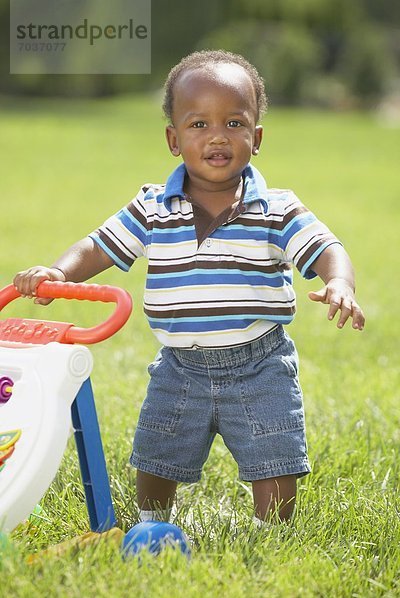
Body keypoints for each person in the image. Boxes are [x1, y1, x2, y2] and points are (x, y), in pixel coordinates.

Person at [13, 50, 365, 527]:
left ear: (256, 138)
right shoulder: (153, 207)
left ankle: (273, 532)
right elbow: (97, 247)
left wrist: (339, 281)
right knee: (159, 451)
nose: (217, 136)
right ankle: (152, 523)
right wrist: (58, 273)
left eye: (235, 123)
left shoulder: (276, 209)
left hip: (259, 363)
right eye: (198, 125)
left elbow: (325, 247)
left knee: (274, 453)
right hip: (180, 365)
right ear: (173, 139)